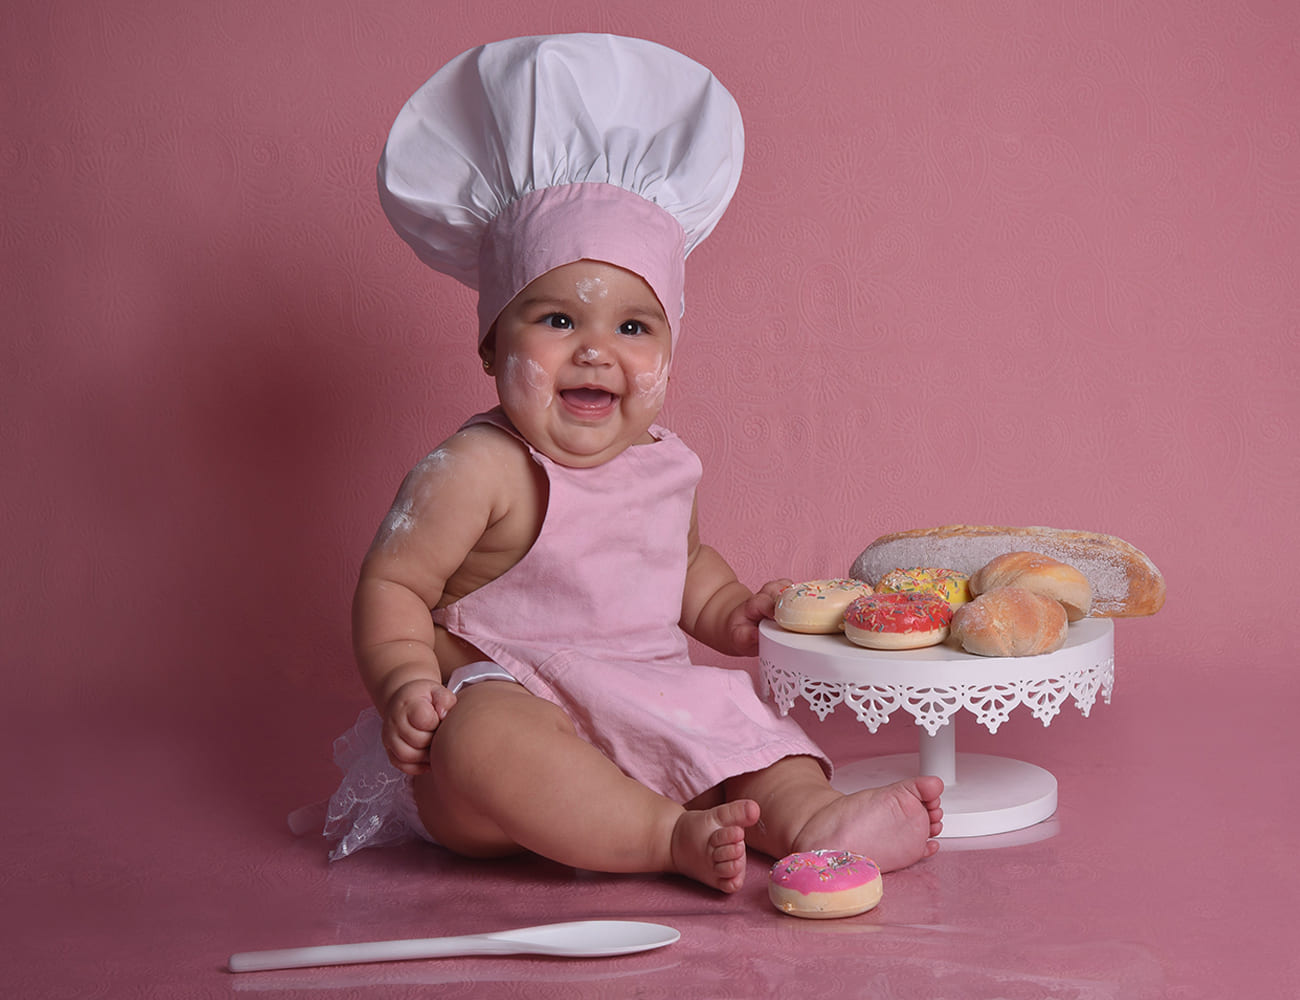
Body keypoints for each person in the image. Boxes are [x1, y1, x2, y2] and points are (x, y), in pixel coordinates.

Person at [324, 33, 942, 893]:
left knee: (740, 727)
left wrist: (727, 611)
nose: (594, 352)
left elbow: (680, 563)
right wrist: (404, 686)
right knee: (481, 736)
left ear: (669, 358)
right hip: (514, 721)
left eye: (632, 327)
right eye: (555, 321)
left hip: (644, 707)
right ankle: (666, 838)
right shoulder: (477, 467)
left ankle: (813, 818)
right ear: (490, 343)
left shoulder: (665, 464)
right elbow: (393, 585)